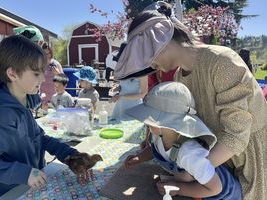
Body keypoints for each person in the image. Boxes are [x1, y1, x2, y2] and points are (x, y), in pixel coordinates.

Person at [114, 2, 267, 200]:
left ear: (162, 37)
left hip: (247, 158)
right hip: (215, 159)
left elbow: (235, 136)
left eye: (148, 55)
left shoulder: (222, 60)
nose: (150, 65)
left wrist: (189, 173)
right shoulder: (178, 76)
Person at [0, 35, 94, 200]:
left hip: (30, 186)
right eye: (36, 73)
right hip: (7, 192)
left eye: (43, 71)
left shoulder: (23, 100)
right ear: (12, 74)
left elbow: (39, 138)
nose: (42, 78)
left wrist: (71, 157)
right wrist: (24, 173)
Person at [125, 82, 243, 199]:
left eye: (150, 118)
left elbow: (215, 188)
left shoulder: (189, 153)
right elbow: (155, 149)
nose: (145, 121)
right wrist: (139, 157)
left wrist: (178, 188)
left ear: (166, 123)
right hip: (196, 185)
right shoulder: (159, 135)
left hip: (221, 194)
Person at [108, 43, 148, 120]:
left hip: (134, 108)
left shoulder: (142, 72)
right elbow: (122, 86)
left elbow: (143, 93)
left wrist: (121, 97)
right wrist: (116, 88)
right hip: (120, 106)